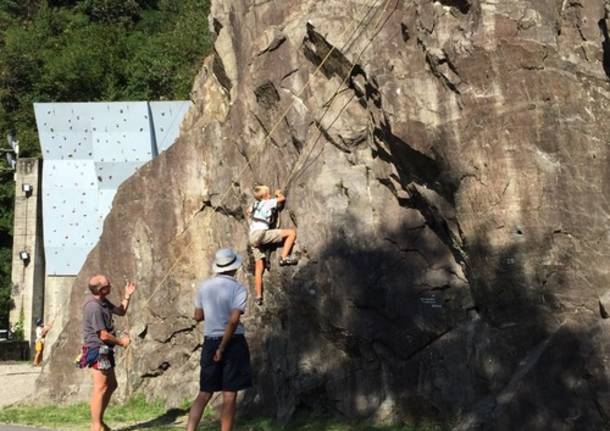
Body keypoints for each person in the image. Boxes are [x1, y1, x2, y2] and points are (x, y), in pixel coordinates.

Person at [186, 248, 252, 431]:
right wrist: (222, 348)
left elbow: (197, 316)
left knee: (204, 392)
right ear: (234, 267)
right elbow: (233, 320)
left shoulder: (204, 287)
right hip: (233, 343)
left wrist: (213, 313)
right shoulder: (238, 289)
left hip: (210, 340)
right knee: (229, 394)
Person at [81, 274, 136, 431]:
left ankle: (99, 421)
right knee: (100, 387)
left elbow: (120, 311)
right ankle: (95, 425)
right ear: (101, 289)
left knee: (111, 384)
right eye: (107, 284)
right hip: (97, 349)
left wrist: (127, 296)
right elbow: (103, 335)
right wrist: (121, 342)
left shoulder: (103, 302)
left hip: (105, 350)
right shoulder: (93, 307)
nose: (110, 284)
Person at [247, 185, 298, 305]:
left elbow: (248, 211)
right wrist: (278, 193)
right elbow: (282, 199)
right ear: (265, 196)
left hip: (252, 237)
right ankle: (284, 257)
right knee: (291, 233)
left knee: (259, 267)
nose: (269, 195)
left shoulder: (255, 204)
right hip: (261, 234)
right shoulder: (267, 203)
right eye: (268, 194)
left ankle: (258, 296)